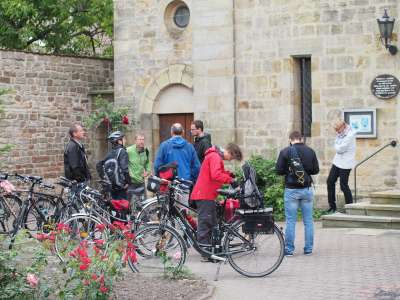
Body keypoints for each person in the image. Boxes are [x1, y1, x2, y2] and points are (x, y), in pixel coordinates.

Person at [190, 143, 242, 257]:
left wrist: (229, 175)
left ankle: (211, 250)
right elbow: (216, 175)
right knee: (205, 223)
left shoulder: (216, 156)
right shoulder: (215, 157)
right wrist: (231, 180)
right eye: (232, 158)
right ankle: (205, 253)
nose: (230, 160)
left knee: (212, 222)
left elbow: (218, 172)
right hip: (204, 194)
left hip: (208, 194)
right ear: (229, 152)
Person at [276, 131, 319, 256]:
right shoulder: (310, 151)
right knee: (309, 221)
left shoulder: (285, 151)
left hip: (291, 190)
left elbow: (278, 170)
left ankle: (289, 250)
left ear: (290, 140)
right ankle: (308, 249)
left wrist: (289, 170)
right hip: (306, 189)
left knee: (290, 221)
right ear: (301, 139)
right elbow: (315, 170)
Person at [326, 120, 356, 213]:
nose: (337, 132)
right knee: (330, 181)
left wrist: (337, 145)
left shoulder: (350, 135)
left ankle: (350, 207)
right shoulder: (340, 134)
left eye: (338, 130)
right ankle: (332, 206)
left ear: (343, 126)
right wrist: (337, 145)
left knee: (343, 185)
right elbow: (338, 146)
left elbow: (340, 149)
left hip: (346, 163)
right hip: (337, 161)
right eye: (336, 130)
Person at [97, 131, 131, 200]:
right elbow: (125, 169)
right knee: (122, 207)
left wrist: (104, 178)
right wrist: (128, 182)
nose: (125, 141)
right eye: (124, 139)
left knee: (115, 206)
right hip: (121, 186)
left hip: (112, 186)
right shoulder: (122, 151)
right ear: (119, 141)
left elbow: (98, 165)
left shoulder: (110, 153)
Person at [126, 134, 151, 201]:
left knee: (143, 203)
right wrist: (129, 174)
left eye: (143, 139)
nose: (142, 141)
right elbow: (123, 164)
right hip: (131, 182)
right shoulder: (128, 151)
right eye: (139, 139)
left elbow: (147, 162)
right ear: (135, 141)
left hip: (141, 181)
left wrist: (148, 171)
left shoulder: (145, 150)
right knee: (129, 203)